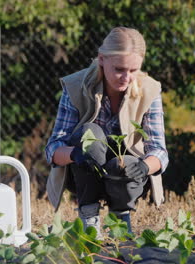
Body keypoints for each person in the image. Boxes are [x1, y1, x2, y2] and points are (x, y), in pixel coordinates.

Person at [45, 26, 168, 238]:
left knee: (127, 163)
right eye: (119, 69)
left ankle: (121, 221)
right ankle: (89, 220)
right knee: (88, 134)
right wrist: (76, 154)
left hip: (126, 177)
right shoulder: (75, 86)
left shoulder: (150, 89)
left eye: (133, 70)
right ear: (102, 59)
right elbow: (53, 149)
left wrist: (143, 166)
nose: (126, 77)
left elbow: (159, 151)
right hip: (84, 174)